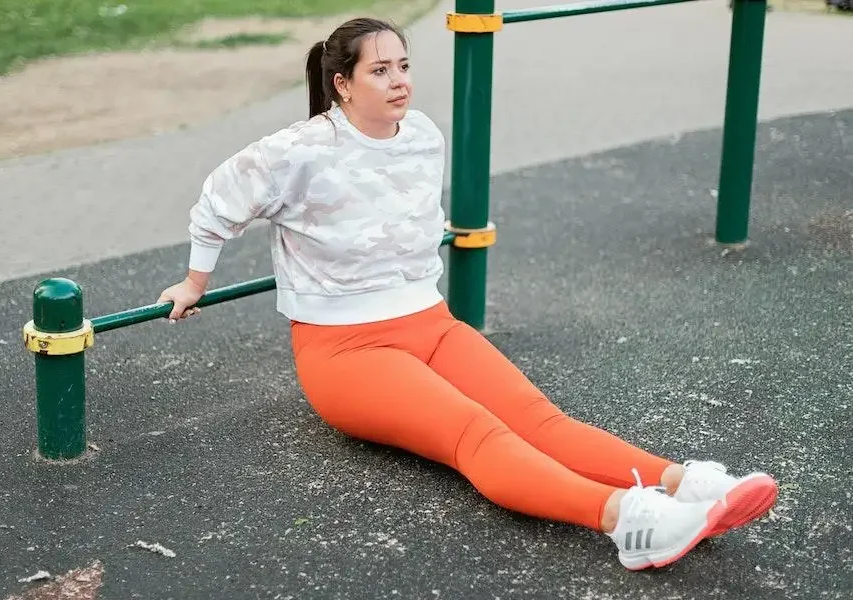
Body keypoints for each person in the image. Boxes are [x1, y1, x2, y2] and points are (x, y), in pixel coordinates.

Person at [156, 17, 778, 571]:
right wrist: (194, 281)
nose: (399, 81)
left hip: (430, 322)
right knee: (479, 434)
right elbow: (216, 204)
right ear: (343, 84)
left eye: (403, 65)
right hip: (345, 352)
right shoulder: (296, 151)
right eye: (380, 70)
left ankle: (685, 485)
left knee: (540, 419)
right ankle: (629, 521)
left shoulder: (422, 134)